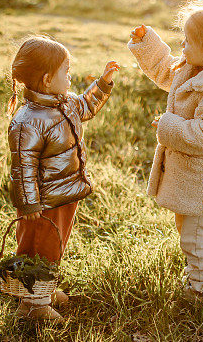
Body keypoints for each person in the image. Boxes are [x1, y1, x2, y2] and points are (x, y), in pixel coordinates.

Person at [127, 0, 203, 299]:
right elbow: (166, 70)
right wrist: (148, 44)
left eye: (186, 42)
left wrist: (168, 127)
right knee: (190, 235)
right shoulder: (194, 68)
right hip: (190, 181)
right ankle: (195, 279)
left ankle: (201, 292)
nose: (181, 46)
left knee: (197, 240)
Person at [7, 35, 119, 320]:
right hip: (42, 202)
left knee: (54, 245)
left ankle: (42, 289)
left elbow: (85, 106)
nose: (70, 78)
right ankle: (32, 305)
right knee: (37, 247)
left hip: (65, 193)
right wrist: (30, 203)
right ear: (46, 80)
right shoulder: (27, 120)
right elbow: (23, 167)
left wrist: (103, 84)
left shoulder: (66, 102)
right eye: (66, 72)